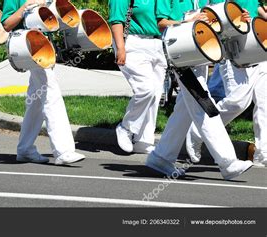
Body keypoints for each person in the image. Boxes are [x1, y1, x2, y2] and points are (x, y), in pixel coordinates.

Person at [145, 0, 253, 180]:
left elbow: (217, 20)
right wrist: (188, 21)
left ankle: (161, 156)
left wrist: (237, 19)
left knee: (184, 110)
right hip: (182, 56)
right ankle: (228, 162)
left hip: (200, 54)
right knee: (204, 106)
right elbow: (161, 24)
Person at [1, 0, 85, 165]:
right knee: (51, 95)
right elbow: (6, 24)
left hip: (45, 48)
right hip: (29, 47)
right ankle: (63, 151)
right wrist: (25, 7)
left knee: (37, 101)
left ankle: (25, 149)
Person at [185, 0, 266, 167]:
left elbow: (255, 7)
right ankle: (200, 130)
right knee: (238, 102)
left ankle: (263, 155)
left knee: (265, 104)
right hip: (233, 51)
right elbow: (213, 16)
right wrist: (237, 18)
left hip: (258, 50)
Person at [109, 0, 167, 154]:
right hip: (133, 43)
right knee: (145, 89)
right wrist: (120, 48)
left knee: (155, 94)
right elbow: (116, 20)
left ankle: (144, 140)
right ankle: (126, 127)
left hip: (158, 44)